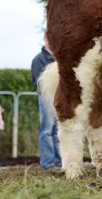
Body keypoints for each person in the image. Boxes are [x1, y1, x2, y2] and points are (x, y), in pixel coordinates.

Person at [31, 36, 62, 170]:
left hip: (59, 98)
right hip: (46, 99)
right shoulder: (39, 59)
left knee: (56, 131)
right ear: (46, 39)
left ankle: (58, 160)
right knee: (47, 131)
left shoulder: (58, 58)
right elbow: (37, 83)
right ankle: (48, 162)